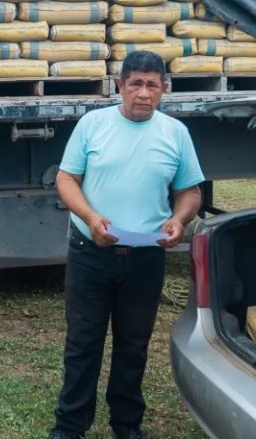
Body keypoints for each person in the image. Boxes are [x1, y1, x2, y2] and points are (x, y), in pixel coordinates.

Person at [50, 49, 206, 439]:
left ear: (164, 90)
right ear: (119, 86)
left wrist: (179, 218)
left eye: (152, 85)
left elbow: (190, 191)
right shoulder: (93, 124)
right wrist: (90, 217)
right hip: (92, 253)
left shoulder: (175, 134)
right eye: (135, 83)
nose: (143, 92)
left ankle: (127, 424)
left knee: (133, 346)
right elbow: (67, 179)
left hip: (146, 257)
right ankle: (70, 427)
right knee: (83, 344)